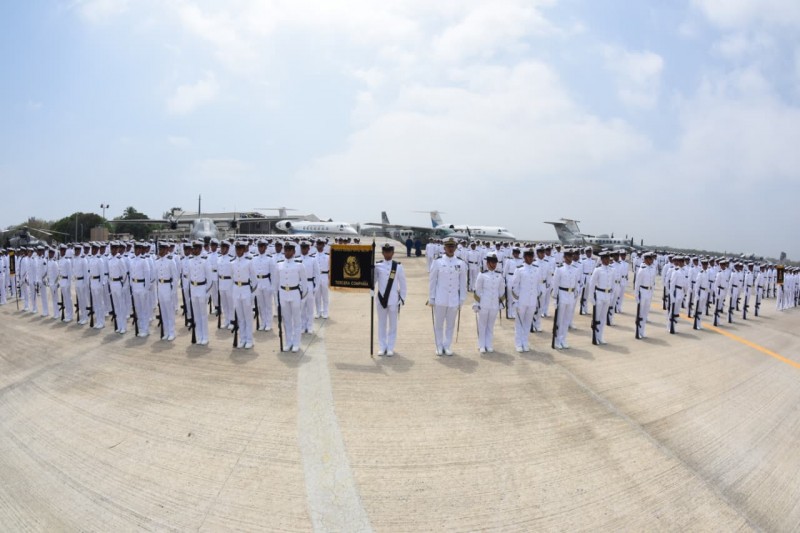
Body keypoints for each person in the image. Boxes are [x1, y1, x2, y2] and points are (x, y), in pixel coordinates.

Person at [428, 237, 467, 356]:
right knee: (439, 324)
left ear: (455, 248)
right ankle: (439, 346)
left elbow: (463, 282)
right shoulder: (437, 262)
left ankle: (447, 346)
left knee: (450, 325)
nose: (450, 248)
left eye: (452, 246)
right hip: (440, 298)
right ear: (444, 248)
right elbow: (432, 281)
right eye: (448, 246)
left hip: (453, 300)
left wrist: (462, 299)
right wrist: (431, 297)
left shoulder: (460, 263)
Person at [374, 243, 407, 356]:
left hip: (393, 300)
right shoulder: (377, 266)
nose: (387, 253)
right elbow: (373, 281)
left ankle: (390, 347)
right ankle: (382, 347)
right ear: (382, 253)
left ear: (393, 253)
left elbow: (403, 284)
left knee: (393, 325)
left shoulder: (398, 266)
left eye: (389, 251)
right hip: (381, 300)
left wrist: (402, 298)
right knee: (381, 324)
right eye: (385, 251)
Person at [275, 242, 308, 352]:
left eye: (290, 250)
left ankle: (296, 343)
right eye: (286, 250)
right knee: (287, 320)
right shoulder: (279, 265)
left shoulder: (299, 265)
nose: (287, 252)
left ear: (294, 252)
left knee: (296, 320)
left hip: (295, 294)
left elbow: (305, 284)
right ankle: (288, 342)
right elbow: (276, 284)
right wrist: (277, 299)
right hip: (283, 294)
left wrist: (303, 299)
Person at [510, 248, 542, 352]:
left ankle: (525, 342)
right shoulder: (519, 269)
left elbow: (538, 284)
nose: (530, 258)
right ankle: (518, 343)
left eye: (531, 256)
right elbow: (514, 286)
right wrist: (516, 300)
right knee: (519, 323)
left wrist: (537, 295)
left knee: (528, 323)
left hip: (532, 301)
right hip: (522, 301)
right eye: (528, 256)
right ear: (524, 257)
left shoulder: (537, 269)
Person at [473, 251, 505, 353]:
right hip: (484, 303)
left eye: (495, 262)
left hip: (494, 304)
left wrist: (501, 303)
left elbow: (501, 290)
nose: (494, 264)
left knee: (490, 325)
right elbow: (477, 290)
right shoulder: (482, 275)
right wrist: (476, 304)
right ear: (487, 263)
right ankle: (481, 345)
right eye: (492, 262)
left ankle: (489, 344)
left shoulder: (499, 275)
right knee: (482, 325)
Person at [551, 248, 581, 349]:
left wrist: (576, 293)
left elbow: (576, 283)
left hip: (571, 295)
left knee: (566, 320)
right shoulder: (559, 269)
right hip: (562, 294)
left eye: (571, 256)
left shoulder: (575, 269)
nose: (570, 258)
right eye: (568, 256)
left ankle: (563, 339)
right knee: (560, 319)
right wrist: (555, 299)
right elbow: (555, 284)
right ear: (564, 257)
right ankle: (557, 340)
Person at [231, 241, 258, 349]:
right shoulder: (232, 263)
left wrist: (252, 294)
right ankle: (242, 339)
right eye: (237, 249)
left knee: (248, 317)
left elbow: (254, 280)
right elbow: (232, 279)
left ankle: (249, 340)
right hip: (236, 290)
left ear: (243, 249)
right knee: (240, 317)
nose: (238, 251)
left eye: (240, 249)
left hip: (246, 289)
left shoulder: (249, 262)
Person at [188, 240, 212, 345]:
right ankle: (199, 336)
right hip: (194, 288)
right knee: (196, 315)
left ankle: (205, 337)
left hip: (202, 288)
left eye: (196, 248)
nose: (194, 250)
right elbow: (189, 277)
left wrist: (207, 292)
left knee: (203, 315)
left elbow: (210, 279)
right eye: (193, 248)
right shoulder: (190, 261)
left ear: (200, 249)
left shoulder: (205, 261)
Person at [154, 242, 178, 341]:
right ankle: (166, 332)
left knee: (169, 311)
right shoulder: (157, 262)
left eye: (161, 249)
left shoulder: (171, 261)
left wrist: (173, 291)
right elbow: (156, 277)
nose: (160, 251)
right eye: (159, 249)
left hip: (168, 287)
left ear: (166, 250)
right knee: (163, 311)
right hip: (160, 287)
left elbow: (175, 278)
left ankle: (172, 332)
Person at [589, 251, 614, 345]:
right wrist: (591, 297)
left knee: (603, 318)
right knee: (597, 317)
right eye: (605, 258)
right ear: (602, 259)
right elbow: (592, 284)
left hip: (607, 295)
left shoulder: (612, 270)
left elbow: (613, 284)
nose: (607, 260)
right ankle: (595, 336)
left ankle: (600, 336)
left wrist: (611, 296)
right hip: (599, 294)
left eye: (608, 258)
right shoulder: (598, 270)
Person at [633, 252, 656, 339]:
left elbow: (653, 282)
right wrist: (636, 295)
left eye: (652, 258)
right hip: (642, 292)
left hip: (649, 292)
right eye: (650, 258)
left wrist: (652, 292)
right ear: (646, 259)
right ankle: (638, 331)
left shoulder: (652, 269)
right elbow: (637, 284)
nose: (652, 260)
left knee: (645, 313)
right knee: (640, 313)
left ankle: (642, 331)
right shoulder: (642, 269)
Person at [313, 239, 330, 319]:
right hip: (316, 277)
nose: (319, 246)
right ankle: (318, 312)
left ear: (323, 245)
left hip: (324, 276)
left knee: (325, 296)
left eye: (320, 244)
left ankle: (325, 312)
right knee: (317, 296)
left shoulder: (327, 256)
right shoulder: (313, 256)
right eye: (318, 244)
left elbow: (330, 267)